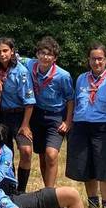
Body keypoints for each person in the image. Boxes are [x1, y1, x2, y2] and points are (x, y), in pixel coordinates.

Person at [66, 43, 106, 208]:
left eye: (100, 59)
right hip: (82, 127)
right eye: (93, 59)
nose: (96, 62)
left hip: (104, 127)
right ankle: (92, 204)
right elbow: (76, 102)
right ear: (88, 60)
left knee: (105, 167)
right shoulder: (82, 79)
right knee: (86, 165)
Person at [24, 37, 75, 188]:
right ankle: (47, 189)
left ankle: (50, 193)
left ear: (55, 58)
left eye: (49, 54)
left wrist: (68, 121)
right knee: (41, 155)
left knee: (51, 154)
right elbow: (11, 56)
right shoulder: (30, 64)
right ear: (37, 54)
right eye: (42, 53)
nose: (45, 57)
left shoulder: (63, 76)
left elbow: (70, 99)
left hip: (55, 116)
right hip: (37, 114)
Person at [0, 37, 35, 194]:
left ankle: (21, 190)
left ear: (12, 52)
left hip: (20, 116)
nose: (2, 54)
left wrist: (25, 125)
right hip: (1, 115)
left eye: (5, 51)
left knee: (26, 151)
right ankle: (10, 187)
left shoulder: (21, 71)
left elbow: (29, 101)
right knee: (5, 153)